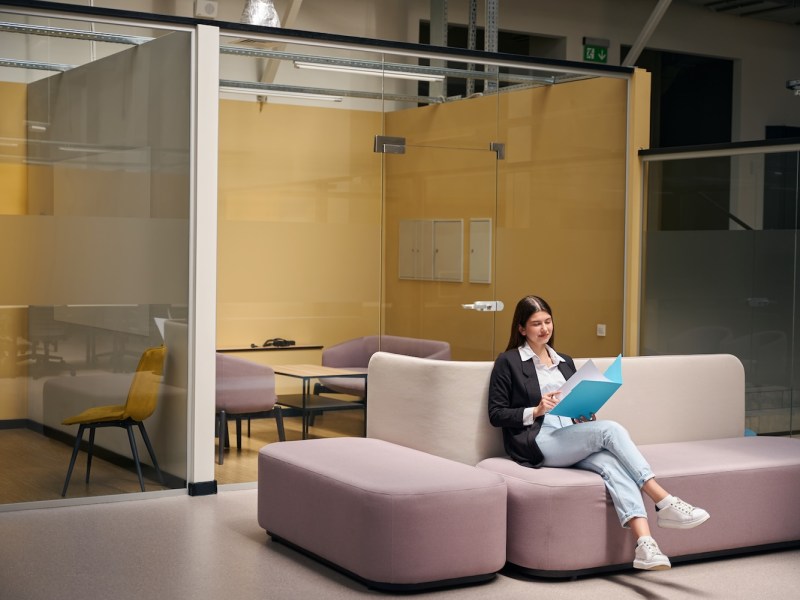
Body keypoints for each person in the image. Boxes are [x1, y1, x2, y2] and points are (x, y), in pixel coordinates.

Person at [488, 295, 710, 571]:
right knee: (610, 429)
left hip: (571, 436)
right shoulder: (508, 362)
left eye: (548, 321)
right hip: (540, 441)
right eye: (536, 324)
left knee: (613, 465)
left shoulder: (565, 361)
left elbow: (572, 402)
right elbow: (496, 414)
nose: (544, 328)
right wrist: (536, 409)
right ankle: (664, 500)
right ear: (521, 329)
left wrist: (585, 411)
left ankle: (646, 546)